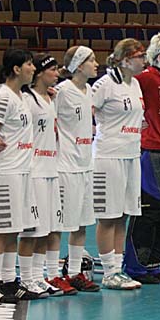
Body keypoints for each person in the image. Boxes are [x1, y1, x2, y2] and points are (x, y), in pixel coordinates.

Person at [123, 33, 160, 283]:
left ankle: (154, 264)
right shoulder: (145, 79)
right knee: (149, 211)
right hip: (151, 151)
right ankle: (136, 266)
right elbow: (123, 87)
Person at [0, 49, 40, 302]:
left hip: (22, 172)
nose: (33, 68)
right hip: (5, 173)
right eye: (29, 64)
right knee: (0, 231)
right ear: (16, 69)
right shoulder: (4, 98)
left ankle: (8, 281)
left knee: (13, 230)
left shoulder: (22, 97)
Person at [91, 39, 145, 290]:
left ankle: (117, 269)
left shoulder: (135, 84)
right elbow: (85, 110)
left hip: (131, 155)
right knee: (108, 216)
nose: (143, 61)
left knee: (123, 215)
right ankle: (108, 272)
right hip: (109, 156)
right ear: (125, 60)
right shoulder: (104, 84)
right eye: (139, 56)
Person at [19, 54, 72, 297]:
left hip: (52, 170)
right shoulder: (27, 100)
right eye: (52, 69)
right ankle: (26, 278)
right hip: (35, 172)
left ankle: (38, 277)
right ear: (39, 73)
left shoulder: (50, 98)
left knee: (48, 230)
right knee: (32, 231)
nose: (57, 73)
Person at [54, 46, 100, 292]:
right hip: (66, 165)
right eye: (91, 60)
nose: (96, 63)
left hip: (85, 165)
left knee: (81, 224)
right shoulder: (61, 91)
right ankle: (51, 273)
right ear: (79, 65)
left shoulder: (89, 90)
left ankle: (74, 272)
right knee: (59, 225)